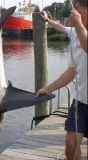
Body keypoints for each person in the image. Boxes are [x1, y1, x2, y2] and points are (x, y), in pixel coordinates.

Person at [36, 0, 87, 160]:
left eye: (76, 10)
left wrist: (78, 26)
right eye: (73, 11)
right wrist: (48, 88)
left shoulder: (78, 30)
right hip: (81, 102)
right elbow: (72, 71)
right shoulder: (74, 33)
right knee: (71, 143)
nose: (73, 14)